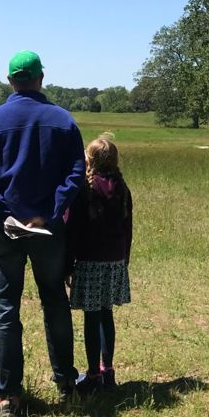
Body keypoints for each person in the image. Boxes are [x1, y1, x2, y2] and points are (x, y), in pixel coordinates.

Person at [0, 49, 85, 417]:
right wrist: (51, 212)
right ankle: (66, 382)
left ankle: (9, 396)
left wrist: (4, 213)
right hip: (49, 230)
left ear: (9, 80)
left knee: (6, 307)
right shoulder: (62, 120)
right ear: (41, 78)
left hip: (7, 231)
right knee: (55, 301)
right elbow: (76, 172)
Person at [68, 133, 133, 392]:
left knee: (91, 318)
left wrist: (68, 261)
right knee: (107, 314)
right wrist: (124, 258)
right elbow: (128, 228)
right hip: (115, 260)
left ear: (90, 160)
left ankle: (93, 374)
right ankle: (108, 371)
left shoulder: (86, 189)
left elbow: (73, 229)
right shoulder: (122, 187)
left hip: (90, 261)